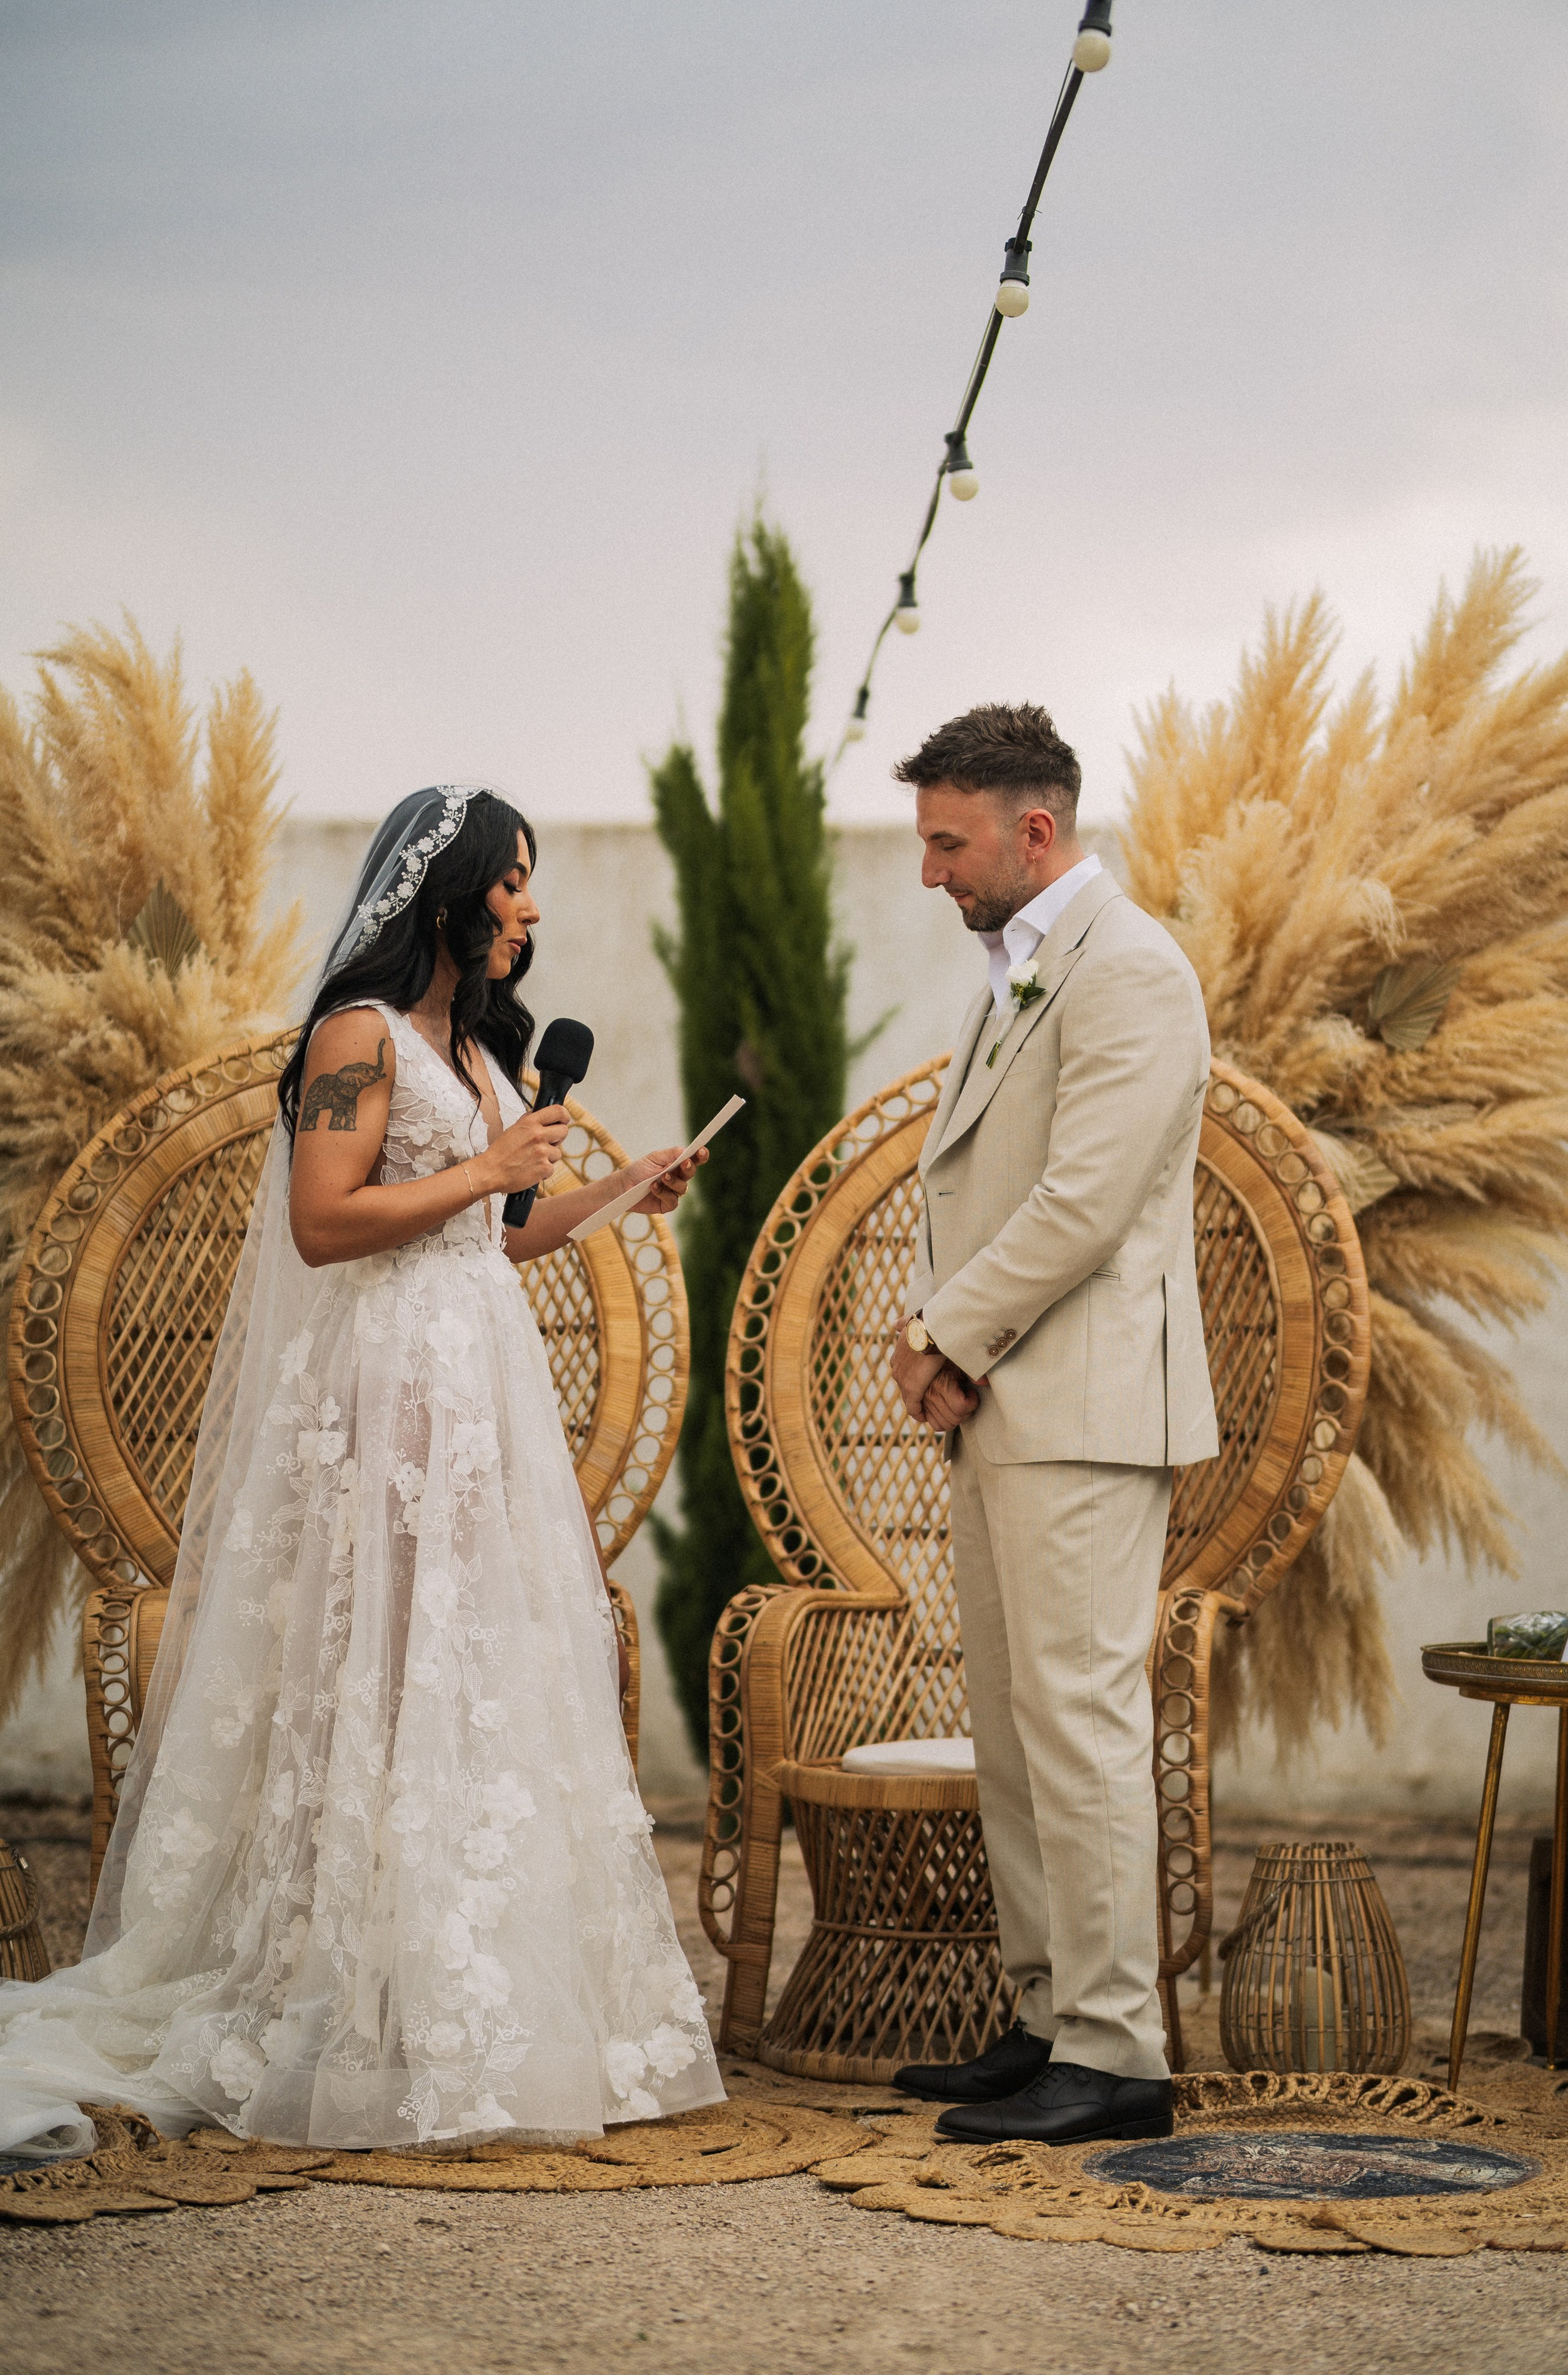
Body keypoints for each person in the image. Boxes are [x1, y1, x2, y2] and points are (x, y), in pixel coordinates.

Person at [0, 785, 723, 2158]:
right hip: (387, 1387)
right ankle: (346, 1991)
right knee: (382, 1664)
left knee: (466, 1664)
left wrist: (623, 1192)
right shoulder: (359, 1033)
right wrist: (490, 1169)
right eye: (510, 879)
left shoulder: (469, 1040)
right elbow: (326, 1222)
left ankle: (467, 1991)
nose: (528, 905)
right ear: (444, 888)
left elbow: (499, 1237)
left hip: (480, 1382)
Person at [885, 706, 1217, 2146]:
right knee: (1018, 1732)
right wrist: (933, 1342)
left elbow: (1081, 1201)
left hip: (1081, 1406)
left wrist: (943, 1336)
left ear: (1034, 831)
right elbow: (961, 1186)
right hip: (1006, 1398)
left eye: (946, 843)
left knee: (1077, 1724)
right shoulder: (1014, 972)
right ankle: (1044, 2021)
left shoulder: (1131, 969)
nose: (928, 873)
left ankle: (1117, 2052)